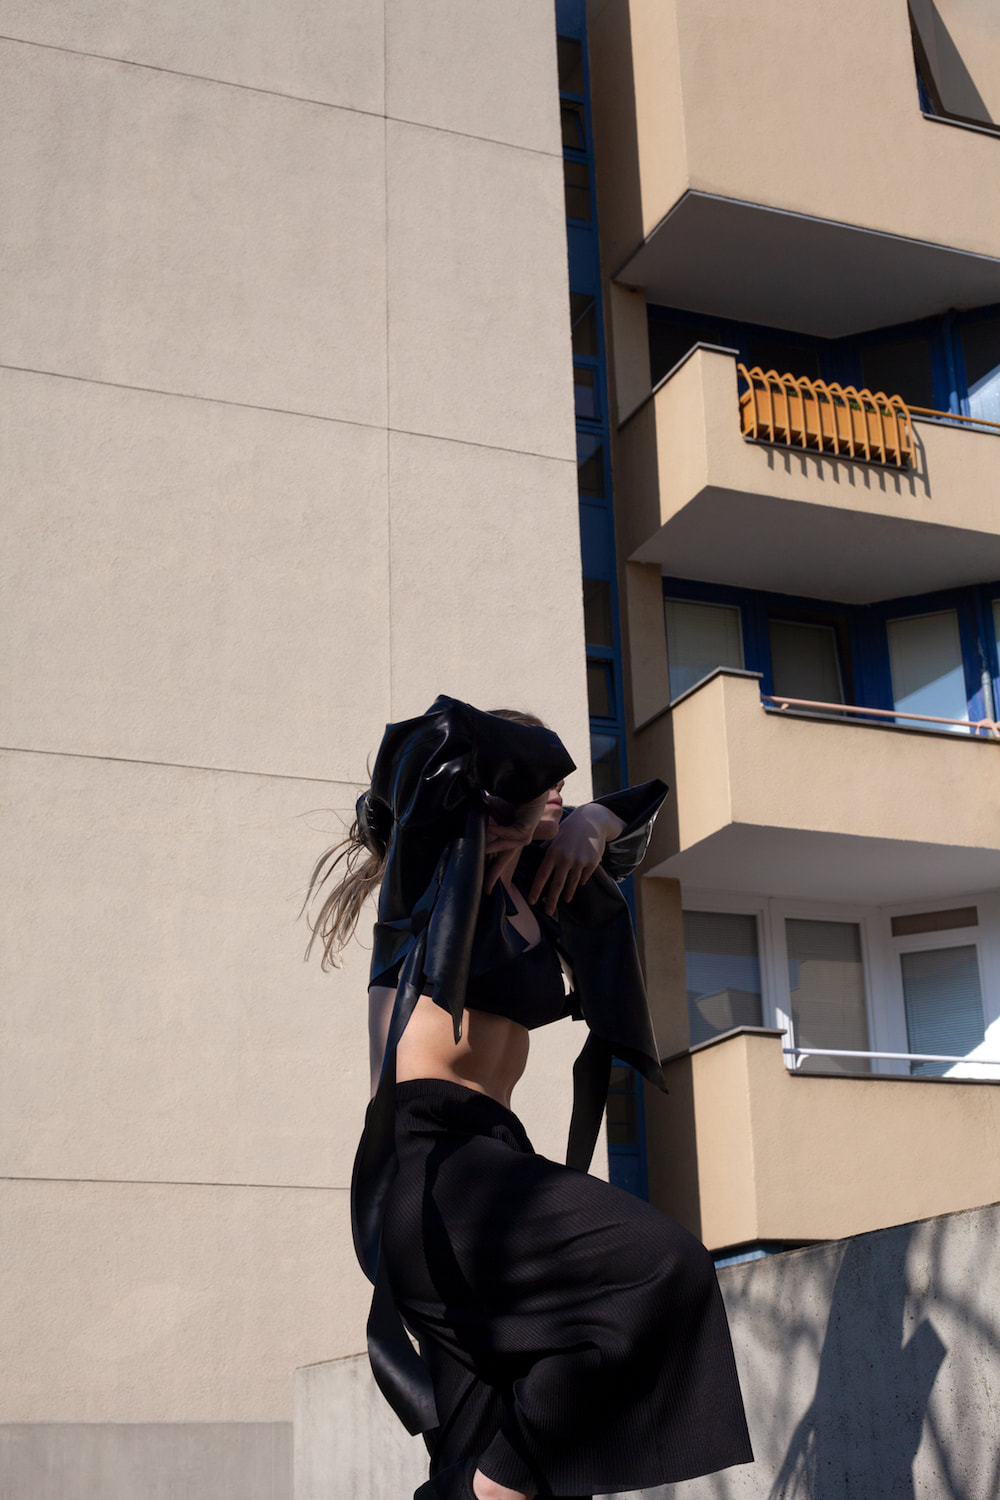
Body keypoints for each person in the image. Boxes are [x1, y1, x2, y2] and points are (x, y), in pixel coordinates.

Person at [304, 695, 752, 1500]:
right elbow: (426, 742)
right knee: (661, 1266)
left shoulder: (539, 889)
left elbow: (636, 817)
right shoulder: (432, 874)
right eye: (539, 768)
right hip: (435, 1168)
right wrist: (556, 809)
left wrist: (592, 824)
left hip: (488, 1163)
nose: (559, 782)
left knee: (496, 1450)